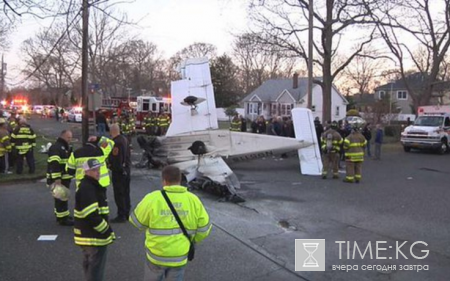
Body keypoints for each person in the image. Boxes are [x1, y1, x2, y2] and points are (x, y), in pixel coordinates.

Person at [130, 165, 212, 281]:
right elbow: (204, 229)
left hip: (156, 255)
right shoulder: (193, 200)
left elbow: (136, 222)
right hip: (179, 256)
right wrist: (192, 239)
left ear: (164, 181)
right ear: (179, 180)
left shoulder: (152, 199)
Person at [74, 159, 115, 281]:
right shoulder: (88, 188)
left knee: (90, 267)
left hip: (88, 236)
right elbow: (91, 214)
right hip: (94, 237)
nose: (98, 172)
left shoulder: (89, 185)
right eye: (94, 170)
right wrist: (106, 230)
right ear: (86, 171)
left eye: (98, 169)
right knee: (95, 272)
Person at [47, 130, 74, 226]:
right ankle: (62, 219)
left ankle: (64, 215)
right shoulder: (56, 148)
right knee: (60, 198)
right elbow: (54, 163)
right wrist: (57, 178)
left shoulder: (65, 147)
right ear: (62, 136)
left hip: (64, 178)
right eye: (68, 138)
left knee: (63, 197)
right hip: (58, 178)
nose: (70, 140)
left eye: (70, 138)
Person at [108, 124, 131, 223]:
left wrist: (112, 167)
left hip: (119, 172)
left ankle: (121, 214)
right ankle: (126, 213)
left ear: (111, 131)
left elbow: (117, 159)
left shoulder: (116, 143)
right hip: (127, 170)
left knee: (119, 193)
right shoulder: (124, 139)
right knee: (126, 193)